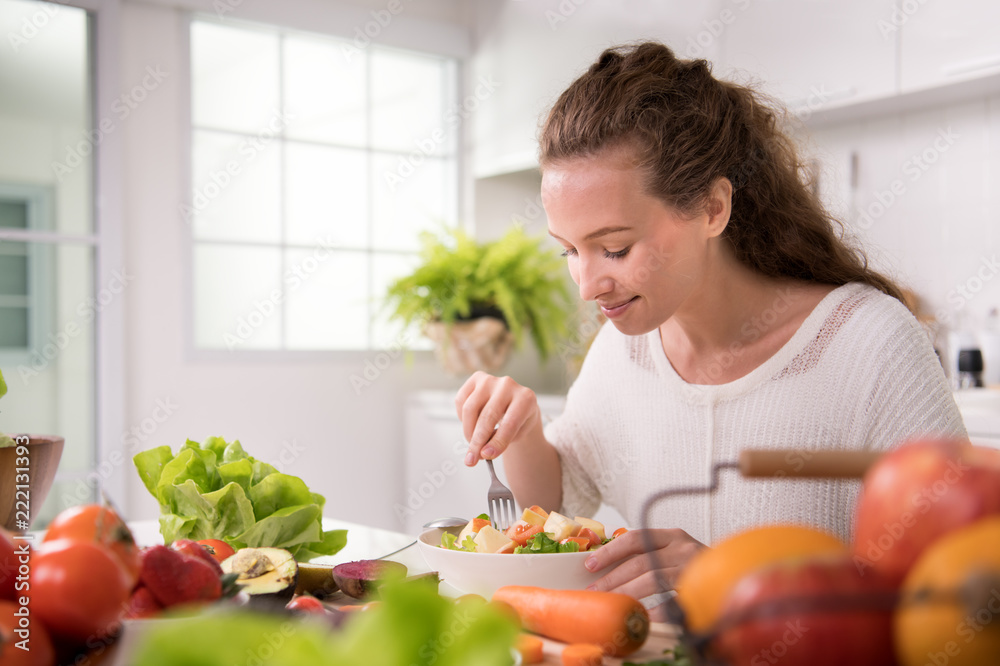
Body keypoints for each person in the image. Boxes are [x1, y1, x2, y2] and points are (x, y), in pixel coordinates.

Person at [454, 42, 965, 618]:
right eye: (570, 250)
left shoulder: (868, 343)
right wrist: (522, 433)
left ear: (713, 208)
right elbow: (550, 503)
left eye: (615, 248)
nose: (587, 284)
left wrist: (726, 576)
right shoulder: (626, 354)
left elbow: (959, 589)